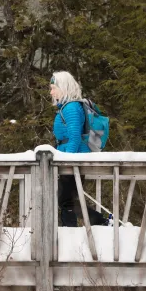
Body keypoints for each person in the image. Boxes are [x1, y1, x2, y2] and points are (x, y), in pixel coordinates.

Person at [50, 70, 87, 227]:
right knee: (66, 200)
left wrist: (67, 161)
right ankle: (71, 230)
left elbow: (75, 137)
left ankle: (70, 233)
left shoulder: (71, 108)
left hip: (72, 160)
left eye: (53, 87)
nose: (51, 92)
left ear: (63, 87)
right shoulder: (66, 107)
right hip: (68, 158)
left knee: (66, 201)